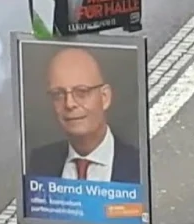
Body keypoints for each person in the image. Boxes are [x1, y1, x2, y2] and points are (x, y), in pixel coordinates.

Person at [26, 47, 140, 183]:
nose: (69, 104)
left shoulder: (139, 163)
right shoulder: (40, 162)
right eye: (58, 94)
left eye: (81, 92)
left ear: (105, 98)